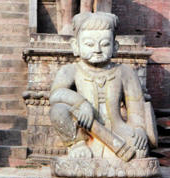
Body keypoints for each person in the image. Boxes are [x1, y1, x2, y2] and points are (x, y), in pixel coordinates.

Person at [50, 12, 155, 161]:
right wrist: (83, 104)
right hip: (86, 131)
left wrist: (139, 129)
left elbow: (136, 109)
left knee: (139, 152)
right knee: (58, 110)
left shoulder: (125, 72)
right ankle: (77, 145)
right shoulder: (70, 70)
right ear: (76, 46)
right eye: (89, 44)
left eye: (105, 44)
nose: (97, 49)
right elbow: (56, 95)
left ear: (115, 46)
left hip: (118, 130)